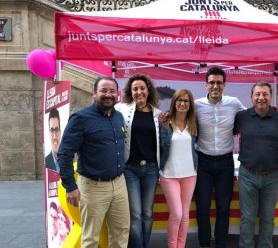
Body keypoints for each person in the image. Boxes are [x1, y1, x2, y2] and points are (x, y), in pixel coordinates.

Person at [58, 76, 130, 248]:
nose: (108, 95)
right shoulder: (81, 119)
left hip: (119, 184)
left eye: (112, 91)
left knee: (121, 233)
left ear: (117, 94)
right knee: (90, 238)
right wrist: (70, 186)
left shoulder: (118, 117)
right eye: (103, 91)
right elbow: (65, 153)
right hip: (92, 188)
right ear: (94, 94)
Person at [234, 81, 278, 248]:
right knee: (248, 217)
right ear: (251, 97)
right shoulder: (241, 117)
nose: (261, 98)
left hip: (272, 176)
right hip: (247, 175)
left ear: (271, 97)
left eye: (265, 94)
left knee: (267, 218)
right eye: (257, 94)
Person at [194, 67, 245, 248]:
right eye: (212, 82)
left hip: (225, 162)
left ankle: (221, 243)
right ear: (206, 85)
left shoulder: (235, 103)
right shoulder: (196, 104)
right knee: (203, 206)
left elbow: (252, 116)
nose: (215, 86)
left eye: (219, 83)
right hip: (203, 162)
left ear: (225, 85)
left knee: (224, 207)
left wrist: (275, 110)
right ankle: (204, 243)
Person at [115, 74, 161, 248]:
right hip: (129, 169)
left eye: (142, 88)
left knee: (148, 213)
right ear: (130, 91)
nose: (139, 92)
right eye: (135, 89)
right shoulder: (121, 109)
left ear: (148, 90)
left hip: (150, 169)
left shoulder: (158, 114)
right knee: (135, 214)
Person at [159, 89, 198, 248]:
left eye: (186, 101)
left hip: (190, 174)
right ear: (174, 102)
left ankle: (180, 246)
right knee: (177, 213)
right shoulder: (165, 122)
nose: (182, 103)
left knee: (185, 215)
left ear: (190, 104)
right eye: (179, 100)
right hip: (169, 175)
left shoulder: (194, 124)